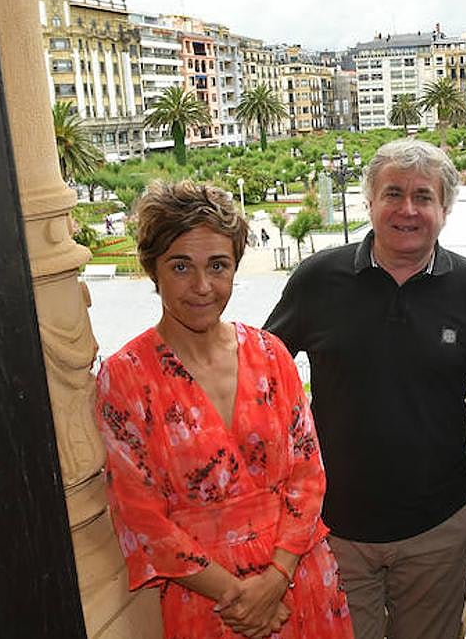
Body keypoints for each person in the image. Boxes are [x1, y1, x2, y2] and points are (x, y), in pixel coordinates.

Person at [265, 138, 466, 639]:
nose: (408, 209)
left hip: (438, 529)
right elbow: (264, 377)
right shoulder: (319, 278)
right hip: (333, 529)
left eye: (423, 197)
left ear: (444, 209)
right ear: (370, 202)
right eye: (393, 194)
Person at [93, 180, 353, 639]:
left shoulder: (270, 354)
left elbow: (308, 474)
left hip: (299, 578)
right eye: (180, 267)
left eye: (218, 266)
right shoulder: (126, 377)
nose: (202, 287)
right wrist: (242, 599)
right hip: (212, 603)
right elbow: (142, 517)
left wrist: (275, 580)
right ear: (152, 269)